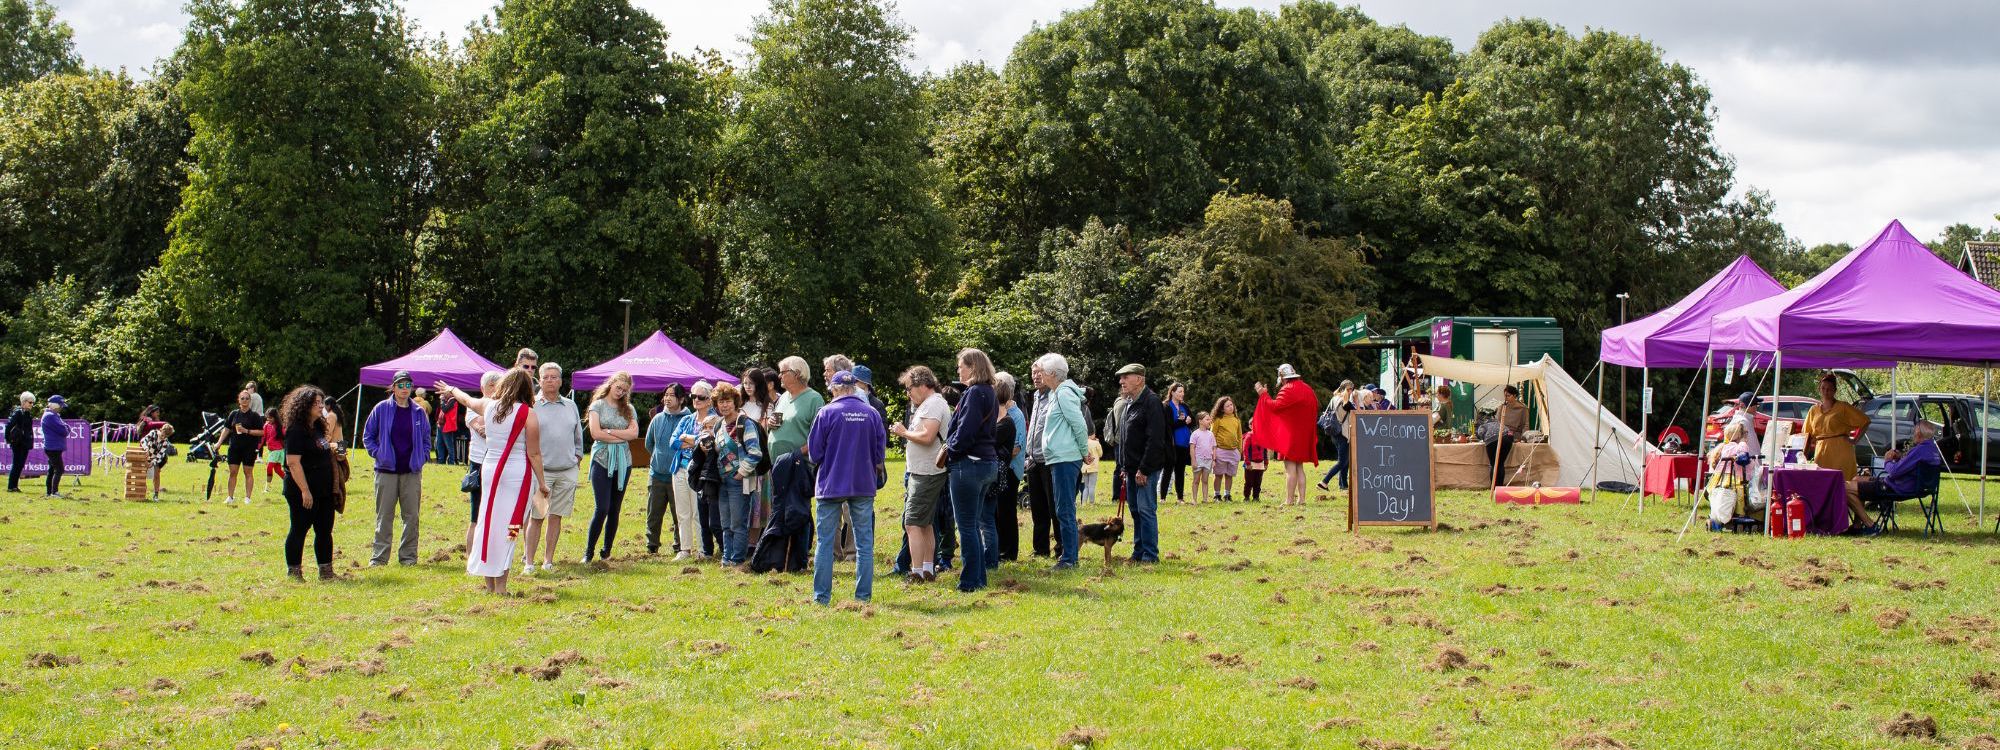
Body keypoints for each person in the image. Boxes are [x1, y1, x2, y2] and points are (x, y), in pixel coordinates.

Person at [437, 371, 547, 595]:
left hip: (490, 469)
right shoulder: (529, 414)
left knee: (488, 523)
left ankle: (489, 584)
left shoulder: (489, 406)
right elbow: (534, 453)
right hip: (517, 474)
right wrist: (543, 484)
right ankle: (501, 587)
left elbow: (466, 399)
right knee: (511, 528)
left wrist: (451, 390)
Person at [807, 370, 885, 605]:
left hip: (831, 483)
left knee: (825, 542)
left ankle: (821, 597)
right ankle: (863, 597)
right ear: (854, 388)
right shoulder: (872, 414)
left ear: (835, 389)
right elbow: (879, 454)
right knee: (864, 543)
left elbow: (814, 453)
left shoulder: (826, 413)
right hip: (862, 483)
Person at [361, 371, 431, 566]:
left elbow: (426, 439)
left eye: (408, 385)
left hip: (411, 472)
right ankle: (379, 558)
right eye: (400, 385)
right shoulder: (381, 409)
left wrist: (422, 457)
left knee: (412, 517)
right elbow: (368, 436)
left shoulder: (418, 412)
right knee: (384, 516)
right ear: (393, 387)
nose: (404, 389)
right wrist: (379, 453)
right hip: (386, 472)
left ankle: (408, 558)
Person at [944, 349, 1000, 592]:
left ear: (973, 367)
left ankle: (969, 581)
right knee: (973, 524)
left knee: (966, 526)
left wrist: (950, 450)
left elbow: (966, 430)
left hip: (970, 464)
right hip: (986, 463)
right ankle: (979, 578)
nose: (958, 370)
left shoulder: (975, 393)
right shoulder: (989, 392)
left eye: (961, 366)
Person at [891, 366, 950, 582]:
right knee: (925, 524)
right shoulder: (931, 403)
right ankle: (927, 568)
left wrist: (903, 432)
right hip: (926, 470)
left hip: (926, 472)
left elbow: (927, 437)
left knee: (912, 523)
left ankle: (916, 573)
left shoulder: (933, 404)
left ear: (923, 384)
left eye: (909, 388)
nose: (908, 393)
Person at [1033, 353, 1089, 569]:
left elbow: (1079, 424)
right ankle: (1069, 556)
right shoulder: (1058, 392)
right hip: (1059, 458)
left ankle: (1069, 558)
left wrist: (1084, 452)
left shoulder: (1064, 393)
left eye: (1043, 371)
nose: (1040, 375)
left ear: (1053, 374)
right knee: (1062, 508)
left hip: (1066, 458)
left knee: (1064, 510)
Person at [526, 363, 583, 573]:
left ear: (561, 381)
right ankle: (529, 562)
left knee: (556, 516)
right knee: (537, 516)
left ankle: (548, 560)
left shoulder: (570, 406)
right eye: (546, 377)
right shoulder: (532, 405)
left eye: (554, 377)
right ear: (539, 381)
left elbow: (578, 436)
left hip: (567, 470)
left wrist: (577, 457)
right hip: (542, 473)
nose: (550, 380)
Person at [279, 386, 339, 581]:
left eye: (321, 402)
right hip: (302, 490)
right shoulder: (296, 430)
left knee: (324, 530)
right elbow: (293, 463)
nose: (320, 405)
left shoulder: (318, 427)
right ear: (303, 405)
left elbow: (321, 450)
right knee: (299, 529)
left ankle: (326, 572)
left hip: (323, 490)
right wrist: (305, 491)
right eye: (316, 403)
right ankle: (294, 573)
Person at [1844, 420, 1940, 534]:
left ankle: (1870, 525)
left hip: (1898, 487)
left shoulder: (1919, 450)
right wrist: (1901, 458)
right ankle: (1857, 525)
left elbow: (1894, 472)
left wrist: (1887, 461)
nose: (1913, 434)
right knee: (1856, 480)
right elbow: (1911, 467)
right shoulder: (1933, 450)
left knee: (1844, 488)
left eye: (1914, 431)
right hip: (1920, 487)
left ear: (1919, 434)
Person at [583, 371, 639, 563]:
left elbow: (633, 434)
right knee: (602, 507)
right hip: (601, 459)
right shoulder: (597, 405)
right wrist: (620, 435)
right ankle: (588, 553)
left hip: (624, 461)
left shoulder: (628, 408)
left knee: (615, 508)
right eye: (618, 387)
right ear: (611, 384)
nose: (620, 392)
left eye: (624, 390)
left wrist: (610, 431)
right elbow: (596, 433)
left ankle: (606, 552)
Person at [705, 383, 763, 566]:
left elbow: (755, 452)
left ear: (735, 402)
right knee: (725, 523)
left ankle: (737, 560)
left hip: (739, 481)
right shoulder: (719, 425)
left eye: (728, 401)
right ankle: (726, 559)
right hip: (721, 481)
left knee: (738, 523)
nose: (724, 405)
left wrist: (741, 473)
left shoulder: (744, 423)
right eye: (720, 402)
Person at [1115, 364, 1168, 563]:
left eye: (1125, 377)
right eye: (1121, 378)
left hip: (1146, 468)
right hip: (1130, 469)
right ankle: (1138, 552)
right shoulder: (1130, 402)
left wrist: (1144, 469)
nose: (1121, 382)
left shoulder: (1151, 402)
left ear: (1139, 379)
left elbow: (1155, 440)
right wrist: (1124, 467)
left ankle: (1150, 555)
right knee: (1135, 511)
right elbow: (1126, 437)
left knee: (1146, 510)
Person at [1252, 364, 1319, 506]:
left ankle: (1289, 500)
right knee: (1299, 467)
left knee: (1290, 469)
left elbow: (1275, 407)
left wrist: (1263, 394)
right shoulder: (1307, 388)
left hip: (1291, 436)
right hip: (1303, 434)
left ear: (1282, 378)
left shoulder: (1288, 389)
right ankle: (1301, 499)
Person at [645, 383, 696, 557]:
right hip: (657, 474)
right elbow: (649, 444)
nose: (666, 398)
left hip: (680, 473)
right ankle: (652, 545)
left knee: (680, 513)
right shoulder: (658, 419)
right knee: (654, 513)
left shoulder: (690, 419)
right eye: (665, 395)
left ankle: (679, 545)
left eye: (671, 395)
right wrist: (658, 459)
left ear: (681, 399)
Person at [462, 371, 502, 559]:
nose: (495, 389)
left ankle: (494, 555)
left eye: (498, 385)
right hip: (479, 465)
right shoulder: (474, 407)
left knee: (500, 515)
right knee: (476, 515)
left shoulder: (505, 408)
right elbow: (481, 429)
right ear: (482, 389)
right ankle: (471, 557)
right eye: (491, 386)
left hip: (501, 465)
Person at [986, 373, 1024, 564]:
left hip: (1009, 470)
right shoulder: (999, 414)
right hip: (1002, 467)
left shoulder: (1014, 416)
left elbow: (1017, 447)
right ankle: (1000, 549)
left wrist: (1000, 458)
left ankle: (1009, 552)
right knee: (998, 512)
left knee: (1007, 512)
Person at [1804, 373, 1870, 480]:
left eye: (1829, 389)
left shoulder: (1843, 407)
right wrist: (1803, 455)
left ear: (1835, 391)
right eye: (1823, 388)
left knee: (1842, 483)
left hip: (1841, 450)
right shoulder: (1813, 410)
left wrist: (1855, 440)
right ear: (1819, 389)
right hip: (1821, 452)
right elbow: (1806, 435)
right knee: (1822, 482)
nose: (1826, 391)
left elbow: (1865, 421)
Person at [223, 390, 266, 505]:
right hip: (234, 447)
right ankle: (230, 497)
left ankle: (247, 498)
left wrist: (247, 431)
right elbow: (226, 429)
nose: (245, 400)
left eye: (247, 398)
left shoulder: (255, 416)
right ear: (239, 400)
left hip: (249, 448)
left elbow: (262, 432)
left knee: (248, 472)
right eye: (242, 398)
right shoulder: (234, 414)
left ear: (250, 400)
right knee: (233, 472)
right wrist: (218, 442)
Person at [1482, 385, 1528, 487]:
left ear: (1514, 395)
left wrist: (1523, 438)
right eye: (1505, 395)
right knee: (1495, 462)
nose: (1506, 398)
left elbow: (1525, 425)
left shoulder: (1523, 408)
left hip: (1512, 436)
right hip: (1499, 434)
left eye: (1508, 395)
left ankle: (1497, 487)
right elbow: (1497, 422)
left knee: (1498, 462)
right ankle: (1494, 487)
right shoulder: (1502, 406)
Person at [1316, 380, 1356, 492]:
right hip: (1343, 433)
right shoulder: (1346, 402)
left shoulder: (1334, 399)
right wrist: (1356, 401)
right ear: (1344, 389)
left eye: (1351, 389)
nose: (1351, 391)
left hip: (1334, 432)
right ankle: (1324, 482)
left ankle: (1343, 486)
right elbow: (1356, 412)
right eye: (1349, 389)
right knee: (1342, 462)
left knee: (1345, 460)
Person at [1164, 382, 1193, 503]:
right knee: (1168, 470)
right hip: (1171, 444)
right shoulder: (1166, 406)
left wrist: (1189, 421)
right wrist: (1183, 422)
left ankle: (1180, 498)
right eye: (1180, 391)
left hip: (1184, 443)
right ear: (1172, 392)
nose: (1182, 394)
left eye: (1183, 391)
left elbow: (1192, 420)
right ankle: (1162, 497)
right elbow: (1168, 425)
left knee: (1180, 471)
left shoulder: (1184, 406)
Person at [1210, 396, 1241, 501]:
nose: (1230, 407)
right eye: (1227, 406)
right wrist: (1213, 451)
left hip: (1233, 452)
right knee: (1218, 474)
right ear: (1222, 408)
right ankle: (1216, 495)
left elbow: (1239, 436)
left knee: (1229, 475)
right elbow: (1212, 435)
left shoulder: (1236, 420)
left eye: (1231, 405)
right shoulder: (1218, 419)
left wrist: (1239, 451)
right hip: (1220, 451)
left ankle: (1227, 495)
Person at [6, 392, 33, 492]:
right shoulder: (18, 412)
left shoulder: (27, 413)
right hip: (17, 442)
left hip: (25, 442)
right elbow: (9, 426)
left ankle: (15, 486)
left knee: (21, 464)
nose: (32, 404)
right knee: (16, 463)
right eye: (30, 402)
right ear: (24, 402)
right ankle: (11, 486)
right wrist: (8, 439)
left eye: (32, 403)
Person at [141, 423, 174, 500]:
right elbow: (143, 440)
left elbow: (160, 455)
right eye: (163, 435)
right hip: (147, 455)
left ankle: (156, 495)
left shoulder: (165, 442)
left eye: (166, 436)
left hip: (157, 459)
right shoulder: (153, 433)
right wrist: (146, 448)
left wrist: (152, 463)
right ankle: (142, 492)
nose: (164, 437)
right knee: (143, 473)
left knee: (156, 473)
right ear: (161, 430)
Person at [1189, 412, 1215, 504]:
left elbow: (1213, 447)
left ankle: (1205, 499)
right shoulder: (1195, 434)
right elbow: (1192, 448)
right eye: (1207, 419)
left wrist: (1214, 460)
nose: (1210, 421)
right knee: (1196, 480)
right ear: (1200, 421)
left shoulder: (1211, 434)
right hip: (1198, 460)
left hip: (1208, 460)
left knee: (1205, 480)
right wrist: (1193, 461)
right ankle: (1194, 499)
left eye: (1210, 419)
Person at [260, 408, 285, 488]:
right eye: (267, 417)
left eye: (270, 417)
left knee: (269, 467)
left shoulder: (280, 426)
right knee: (277, 470)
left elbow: (285, 437)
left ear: (275, 417)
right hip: (271, 450)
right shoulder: (266, 425)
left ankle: (267, 487)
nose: (268, 419)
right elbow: (263, 437)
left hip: (278, 450)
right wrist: (258, 448)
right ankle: (288, 482)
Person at [1242, 427, 1267, 502]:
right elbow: (1245, 450)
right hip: (1250, 463)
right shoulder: (1249, 436)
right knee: (1249, 482)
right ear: (1250, 426)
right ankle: (1246, 497)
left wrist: (1266, 463)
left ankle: (1256, 497)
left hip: (1260, 464)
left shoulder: (1263, 436)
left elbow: (1265, 451)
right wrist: (1248, 463)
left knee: (1258, 482)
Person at [1079, 434, 1102, 505]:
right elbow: (1100, 454)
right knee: (1091, 486)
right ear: (1092, 434)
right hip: (1093, 467)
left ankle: (1084, 503)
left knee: (1086, 486)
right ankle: (1092, 503)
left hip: (1085, 467)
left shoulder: (1083, 442)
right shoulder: (1096, 443)